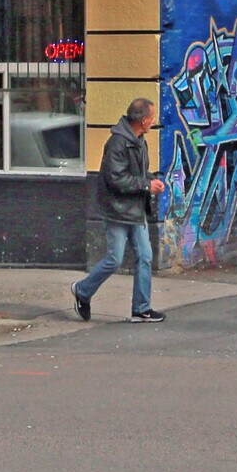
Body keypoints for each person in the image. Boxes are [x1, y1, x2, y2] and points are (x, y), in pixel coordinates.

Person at [73, 96, 167, 324]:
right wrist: (146, 185)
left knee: (145, 256)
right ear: (143, 120)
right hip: (117, 210)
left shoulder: (139, 140)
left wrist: (151, 180)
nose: (154, 121)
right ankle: (82, 291)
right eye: (151, 117)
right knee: (114, 259)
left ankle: (141, 309)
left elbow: (137, 172)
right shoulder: (117, 143)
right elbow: (116, 179)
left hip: (135, 209)